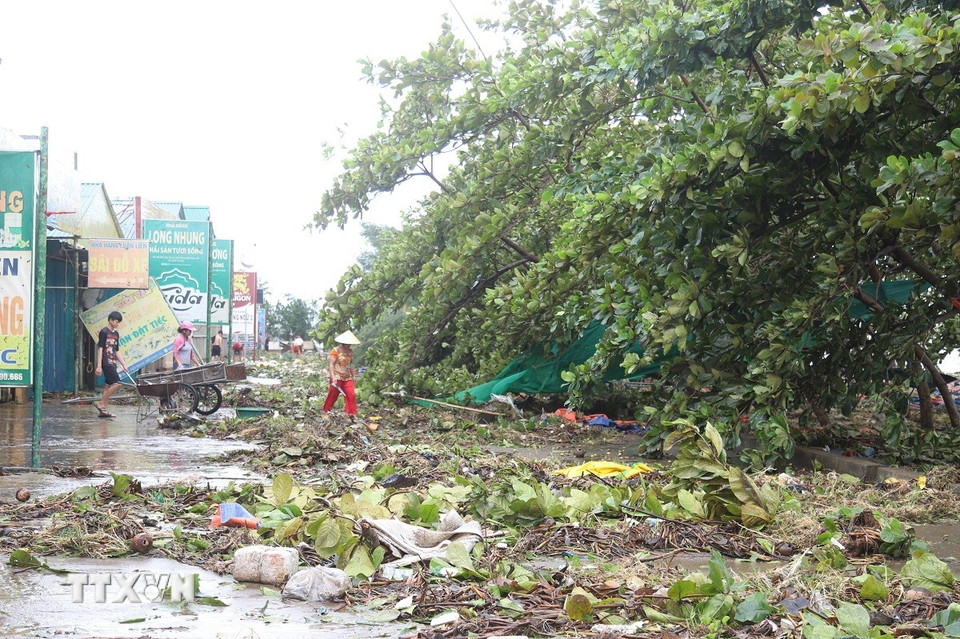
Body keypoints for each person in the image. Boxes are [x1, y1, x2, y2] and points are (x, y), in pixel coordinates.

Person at [95, 310, 131, 418]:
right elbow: (100, 349)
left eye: (119, 322)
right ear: (110, 320)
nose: (117, 324)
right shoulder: (104, 332)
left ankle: (103, 410)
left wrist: (124, 364)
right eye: (116, 321)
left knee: (108, 386)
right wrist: (99, 365)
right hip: (106, 362)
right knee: (117, 383)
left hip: (113, 362)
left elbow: (117, 350)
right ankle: (101, 403)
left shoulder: (116, 334)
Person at [323, 330, 360, 417]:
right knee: (333, 395)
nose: (349, 345)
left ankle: (351, 415)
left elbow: (351, 365)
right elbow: (331, 364)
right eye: (347, 343)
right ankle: (325, 412)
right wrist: (333, 377)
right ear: (344, 342)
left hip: (347, 377)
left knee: (351, 395)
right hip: (337, 376)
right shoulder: (336, 350)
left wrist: (353, 376)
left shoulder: (350, 352)